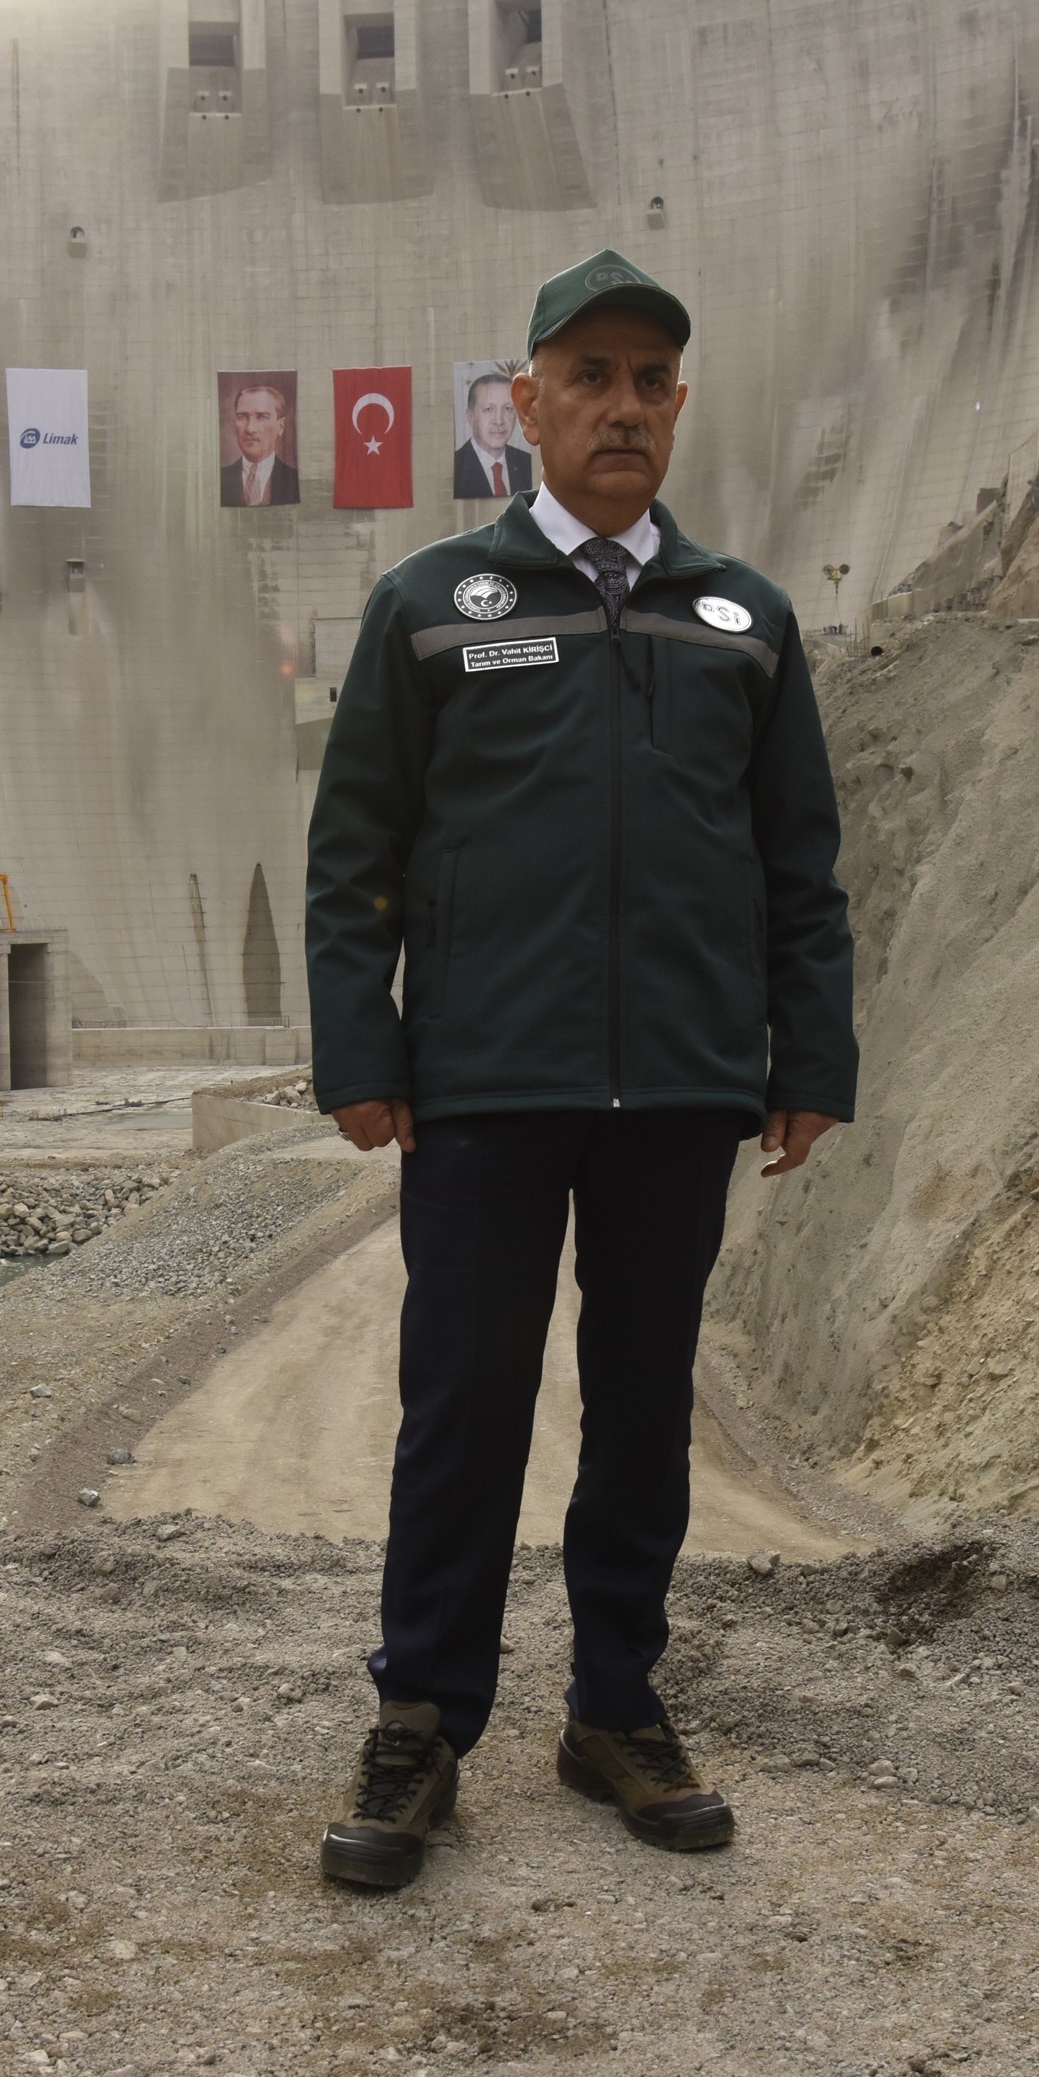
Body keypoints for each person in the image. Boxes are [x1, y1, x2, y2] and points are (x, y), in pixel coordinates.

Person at [301, 249, 857, 1891]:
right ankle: (421, 1721)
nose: (619, 408)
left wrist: (804, 1053)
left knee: (640, 1413)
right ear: (526, 402)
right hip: (482, 1082)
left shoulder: (743, 621)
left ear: (677, 409)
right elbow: (356, 857)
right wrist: (362, 1048)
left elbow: (800, 866)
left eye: (647, 383)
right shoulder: (428, 610)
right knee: (462, 1405)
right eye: (587, 377)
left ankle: (616, 1706)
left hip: (681, 1088)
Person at [448, 366, 534, 499]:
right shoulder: (457, 467)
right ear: (471, 416)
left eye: (507, 409)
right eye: (489, 409)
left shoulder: (527, 463)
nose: (499, 421)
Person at [222, 379, 300, 506]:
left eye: (262, 417)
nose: (250, 429)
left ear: (280, 426)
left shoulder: (294, 481)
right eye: (242, 417)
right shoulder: (220, 479)